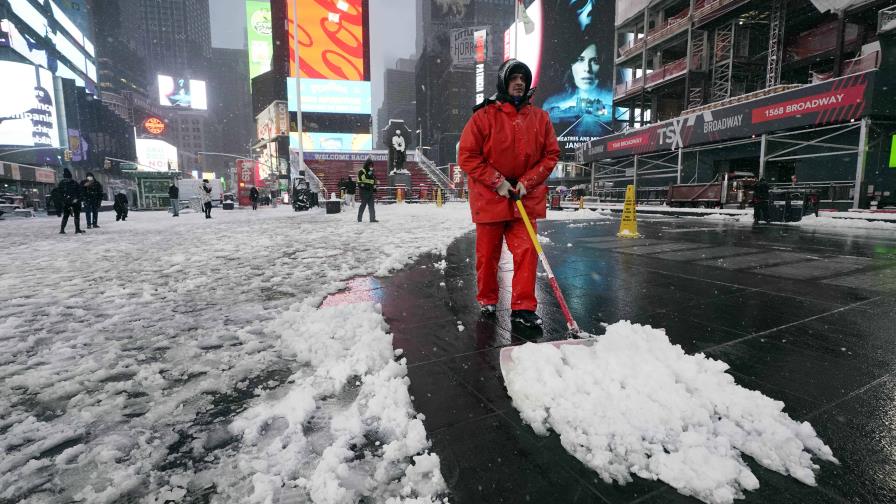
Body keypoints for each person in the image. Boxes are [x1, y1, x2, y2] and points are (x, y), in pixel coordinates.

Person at [458, 59, 560, 327]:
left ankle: (523, 307)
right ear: (504, 82)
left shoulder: (541, 118)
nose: (519, 83)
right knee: (487, 255)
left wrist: (527, 181)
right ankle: (488, 299)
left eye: (523, 79)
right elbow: (467, 156)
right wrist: (498, 181)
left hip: (524, 200)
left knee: (527, 253)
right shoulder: (483, 117)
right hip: (490, 200)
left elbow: (551, 155)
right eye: (513, 78)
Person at [57, 168, 84, 234]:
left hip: (72, 202)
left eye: (68, 178)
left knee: (71, 216)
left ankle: (75, 229)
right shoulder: (70, 183)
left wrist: (77, 199)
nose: (67, 180)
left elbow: (80, 193)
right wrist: (66, 200)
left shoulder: (65, 183)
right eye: (66, 178)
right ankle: (64, 229)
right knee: (69, 216)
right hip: (69, 202)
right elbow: (59, 194)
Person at [357, 158, 378, 222]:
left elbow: (373, 180)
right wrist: (370, 172)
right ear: (367, 165)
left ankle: (372, 218)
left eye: (371, 165)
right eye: (369, 165)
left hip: (370, 191)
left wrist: (374, 188)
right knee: (363, 205)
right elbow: (363, 178)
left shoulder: (371, 172)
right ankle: (359, 219)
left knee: (371, 205)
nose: (370, 167)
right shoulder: (362, 171)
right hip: (364, 191)